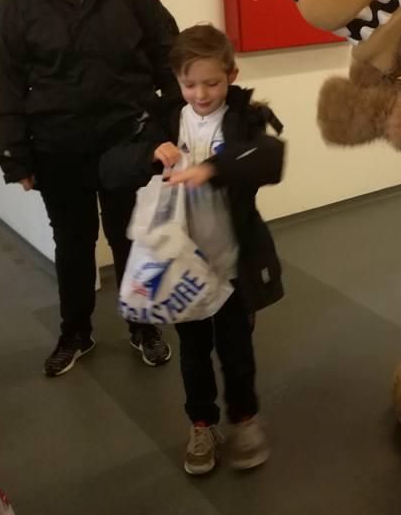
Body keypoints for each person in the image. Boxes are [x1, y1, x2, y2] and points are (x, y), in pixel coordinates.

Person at [0, 0, 180, 377]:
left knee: (129, 237)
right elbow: (5, 79)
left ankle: (143, 325)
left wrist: (172, 122)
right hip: (58, 144)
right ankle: (76, 332)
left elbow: (166, 51)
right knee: (73, 244)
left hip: (125, 138)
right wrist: (13, 151)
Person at [100, 24, 285, 475]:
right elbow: (111, 167)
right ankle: (201, 424)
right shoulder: (163, 120)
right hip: (182, 267)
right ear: (177, 80)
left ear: (231, 75)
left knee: (237, 352)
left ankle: (245, 419)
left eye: (212, 83)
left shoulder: (244, 118)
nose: (201, 94)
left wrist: (213, 168)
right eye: (190, 84)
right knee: (194, 351)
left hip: (230, 263)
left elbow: (269, 158)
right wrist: (149, 154)